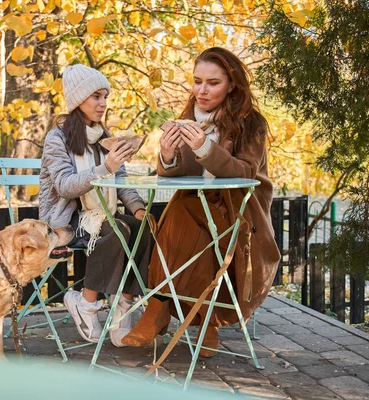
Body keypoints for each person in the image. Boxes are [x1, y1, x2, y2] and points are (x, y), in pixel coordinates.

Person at [121, 47, 281, 357]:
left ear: (231, 85)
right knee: (189, 221)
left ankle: (158, 309)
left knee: (179, 215)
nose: (202, 91)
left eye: (213, 83)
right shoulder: (189, 117)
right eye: (197, 82)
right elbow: (180, 171)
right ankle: (204, 321)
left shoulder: (252, 124)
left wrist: (205, 147)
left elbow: (246, 172)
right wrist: (167, 154)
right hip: (198, 209)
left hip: (237, 212)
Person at [39, 64, 153, 347]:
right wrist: (105, 168)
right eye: (96, 97)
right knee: (116, 231)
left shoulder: (105, 136)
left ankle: (122, 305)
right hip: (66, 221)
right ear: (78, 100)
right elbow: (65, 185)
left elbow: (122, 180)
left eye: (105, 97)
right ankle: (86, 302)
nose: (103, 104)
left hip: (102, 214)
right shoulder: (58, 138)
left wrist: (138, 208)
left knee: (143, 227)